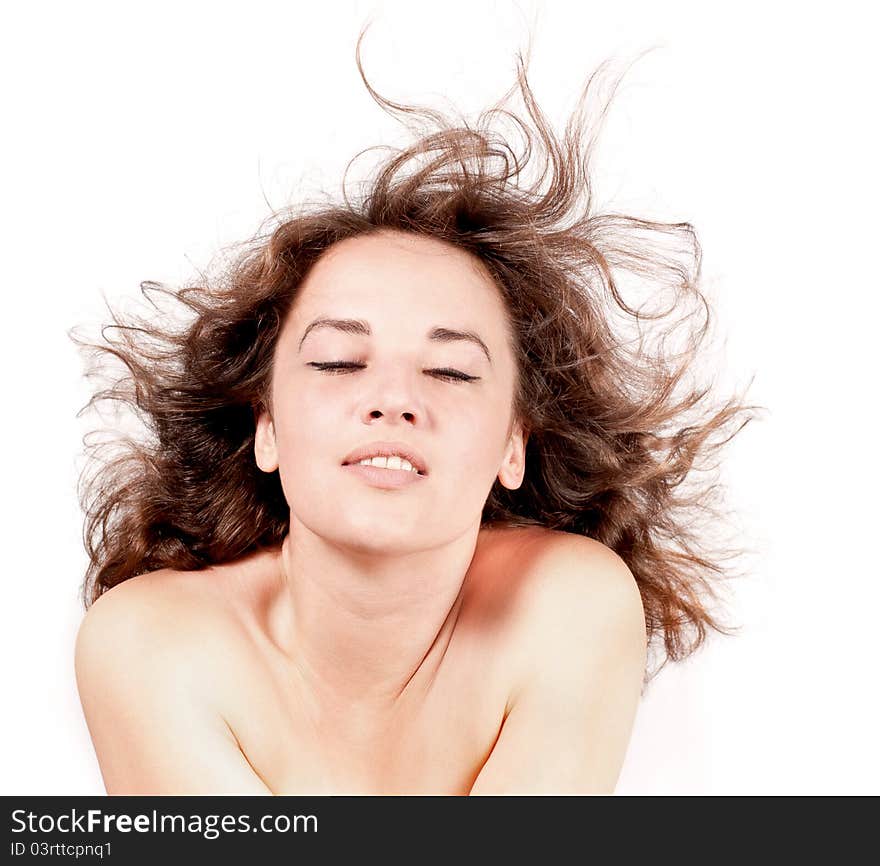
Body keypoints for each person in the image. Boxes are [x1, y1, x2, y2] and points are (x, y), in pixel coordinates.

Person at [71, 28, 759, 795]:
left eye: (450, 371)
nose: (394, 400)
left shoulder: (570, 605)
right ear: (265, 425)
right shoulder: (149, 643)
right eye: (337, 361)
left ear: (513, 445)